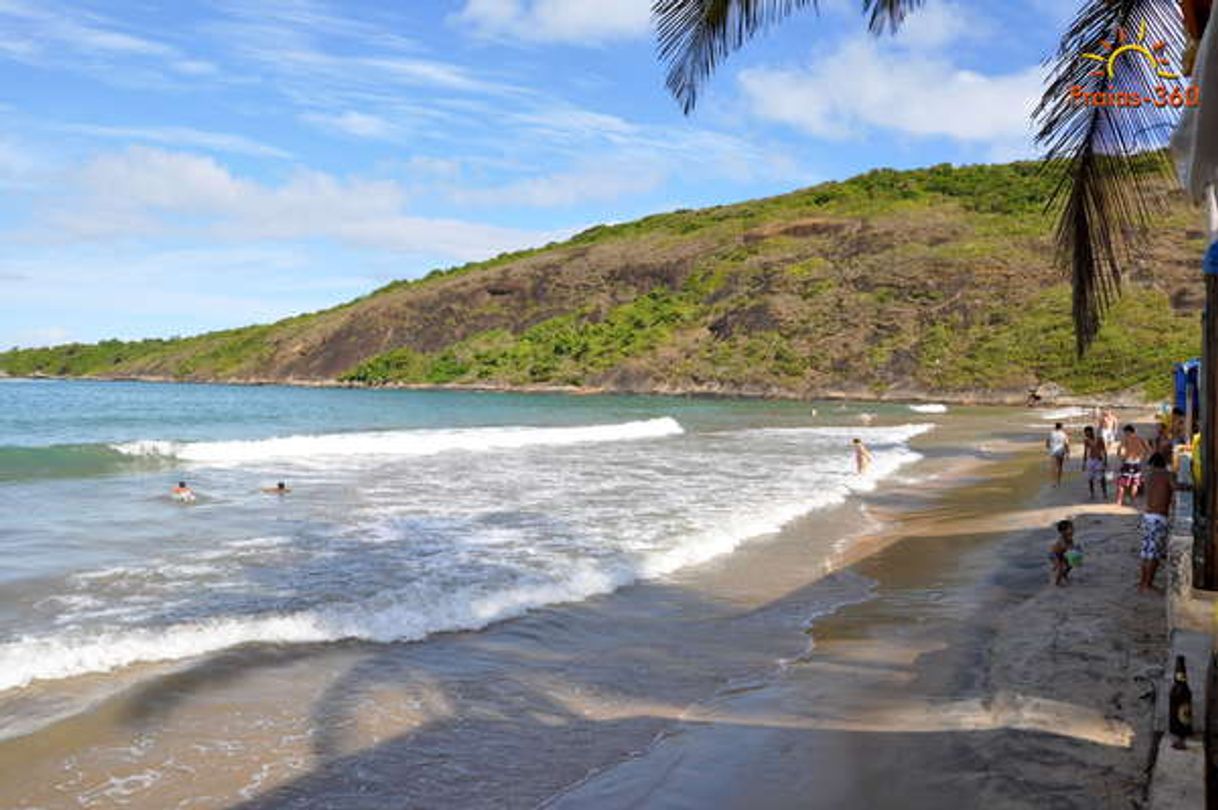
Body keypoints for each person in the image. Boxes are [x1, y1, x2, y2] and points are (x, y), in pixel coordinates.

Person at [1139, 453, 1174, 593]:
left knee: (1146, 552)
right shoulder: (1166, 474)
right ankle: (1148, 585)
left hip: (1147, 517)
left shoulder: (1149, 476)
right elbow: (1176, 487)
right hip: (1159, 518)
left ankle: (1143, 582)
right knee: (1154, 554)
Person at [1116, 424, 1152, 506]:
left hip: (1127, 462)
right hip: (1137, 462)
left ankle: (1120, 500)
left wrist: (1121, 457)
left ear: (1128, 432)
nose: (1124, 434)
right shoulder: (1140, 439)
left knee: (1122, 482)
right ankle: (1132, 500)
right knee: (1135, 483)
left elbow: (1119, 450)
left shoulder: (1126, 439)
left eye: (1125, 432)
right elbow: (1149, 450)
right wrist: (1143, 456)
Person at [1081, 426, 1109, 500]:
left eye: (1087, 432)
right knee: (1090, 478)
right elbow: (1085, 451)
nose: (1086, 434)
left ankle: (1104, 493)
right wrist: (1084, 462)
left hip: (1099, 460)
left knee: (1101, 478)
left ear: (1091, 431)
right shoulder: (1086, 441)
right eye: (1085, 432)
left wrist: (1105, 461)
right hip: (1090, 460)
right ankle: (1092, 493)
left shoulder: (1100, 439)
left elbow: (1104, 450)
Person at [1049, 519, 1075, 586]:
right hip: (1054, 554)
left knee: (1070, 564)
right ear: (1062, 531)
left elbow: (1071, 546)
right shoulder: (1062, 539)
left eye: (1072, 528)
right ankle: (1057, 584)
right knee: (1061, 568)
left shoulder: (1070, 538)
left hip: (1062, 553)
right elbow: (1064, 546)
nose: (1073, 530)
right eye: (1070, 528)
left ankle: (1064, 574)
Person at [1046, 422, 1070, 487]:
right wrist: (1068, 453)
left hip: (1053, 451)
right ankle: (1058, 481)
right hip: (1061, 451)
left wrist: (1048, 448)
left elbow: (1047, 442)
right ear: (1061, 427)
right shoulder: (1064, 434)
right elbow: (1066, 444)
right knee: (1060, 466)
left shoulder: (1051, 433)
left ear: (1055, 427)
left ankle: (1053, 482)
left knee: (1053, 467)